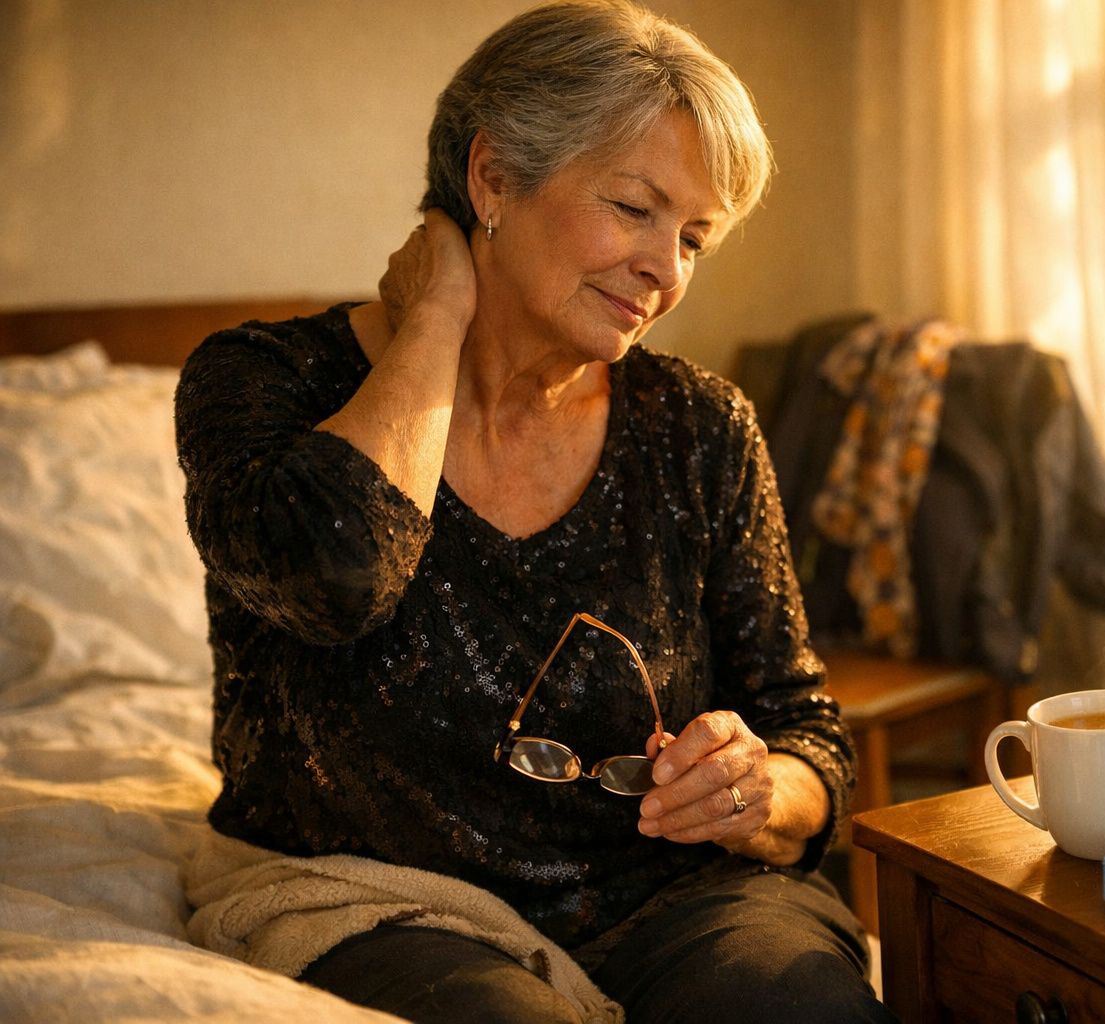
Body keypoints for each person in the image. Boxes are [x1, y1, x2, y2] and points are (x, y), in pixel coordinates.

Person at [173, 2, 894, 1021]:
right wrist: (435, 315)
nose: (668, 270)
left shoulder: (701, 424)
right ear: (493, 178)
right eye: (636, 209)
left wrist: (760, 788)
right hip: (379, 901)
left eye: (694, 237)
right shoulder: (259, 381)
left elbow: (806, 727)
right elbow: (334, 577)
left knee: (802, 1004)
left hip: (672, 893)